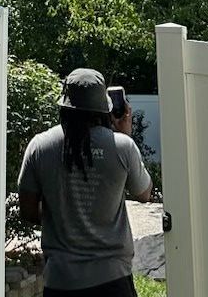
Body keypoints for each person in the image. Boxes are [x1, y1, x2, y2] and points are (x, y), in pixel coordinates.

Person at [17, 68, 153, 297]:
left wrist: (65, 216)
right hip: (113, 278)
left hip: (62, 280)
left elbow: (28, 210)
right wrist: (125, 136)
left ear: (64, 104)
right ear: (104, 108)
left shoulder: (40, 146)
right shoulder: (122, 147)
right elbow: (144, 193)